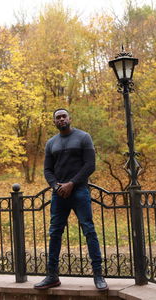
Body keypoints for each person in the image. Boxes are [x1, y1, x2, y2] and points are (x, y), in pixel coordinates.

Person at [34, 108, 108, 291]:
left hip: (80, 190)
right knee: (54, 233)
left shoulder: (83, 137)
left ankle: (98, 275)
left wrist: (72, 183)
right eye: (57, 117)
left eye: (63, 116)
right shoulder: (51, 143)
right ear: (54, 122)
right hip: (58, 194)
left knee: (89, 230)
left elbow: (90, 165)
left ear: (69, 118)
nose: (61, 119)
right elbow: (47, 170)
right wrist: (56, 186)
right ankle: (52, 276)